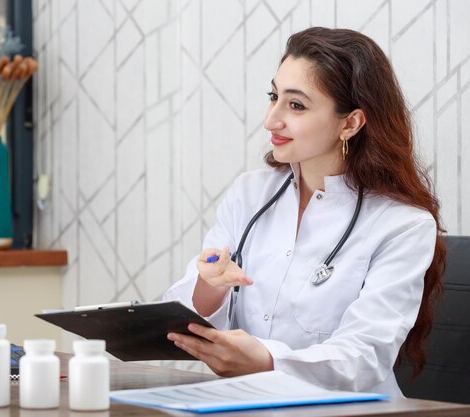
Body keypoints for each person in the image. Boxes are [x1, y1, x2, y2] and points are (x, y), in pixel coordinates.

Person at [163, 26, 445, 396]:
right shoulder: (249, 194)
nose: (271, 120)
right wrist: (209, 286)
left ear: (350, 123)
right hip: (244, 401)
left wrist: (268, 361)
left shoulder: (402, 225)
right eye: (273, 96)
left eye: (296, 105)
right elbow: (187, 316)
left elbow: (365, 356)